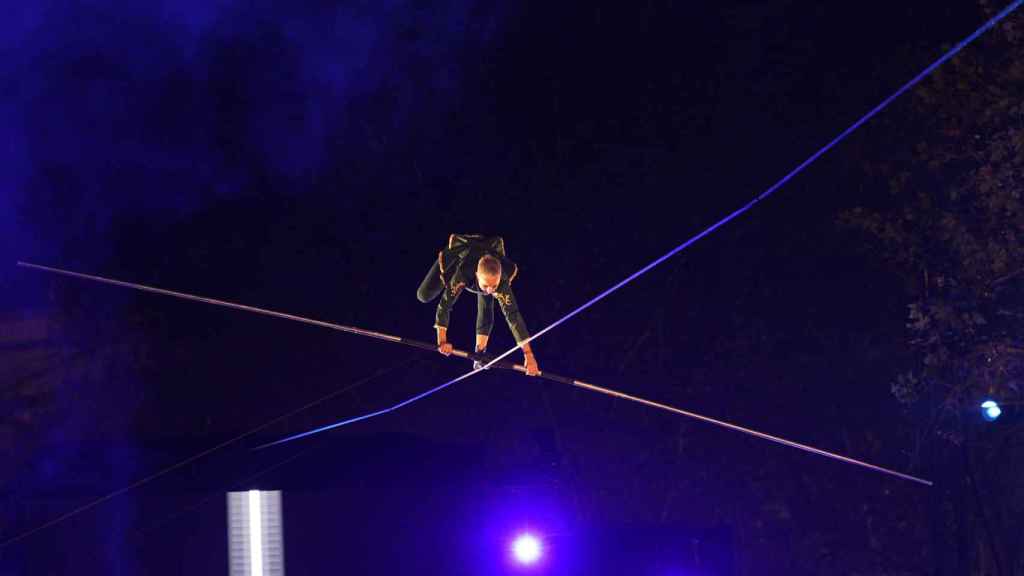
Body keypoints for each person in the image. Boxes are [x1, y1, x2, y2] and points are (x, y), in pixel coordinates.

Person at [416, 234, 540, 376]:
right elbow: (445, 304)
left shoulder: (501, 282)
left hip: (488, 253)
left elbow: (513, 316)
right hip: (461, 255)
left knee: (487, 300)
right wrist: (442, 341)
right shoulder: (464, 273)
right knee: (423, 296)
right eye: (486, 284)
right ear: (476, 274)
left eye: (494, 285)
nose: (490, 289)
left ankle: (480, 352)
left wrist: (529, 355)